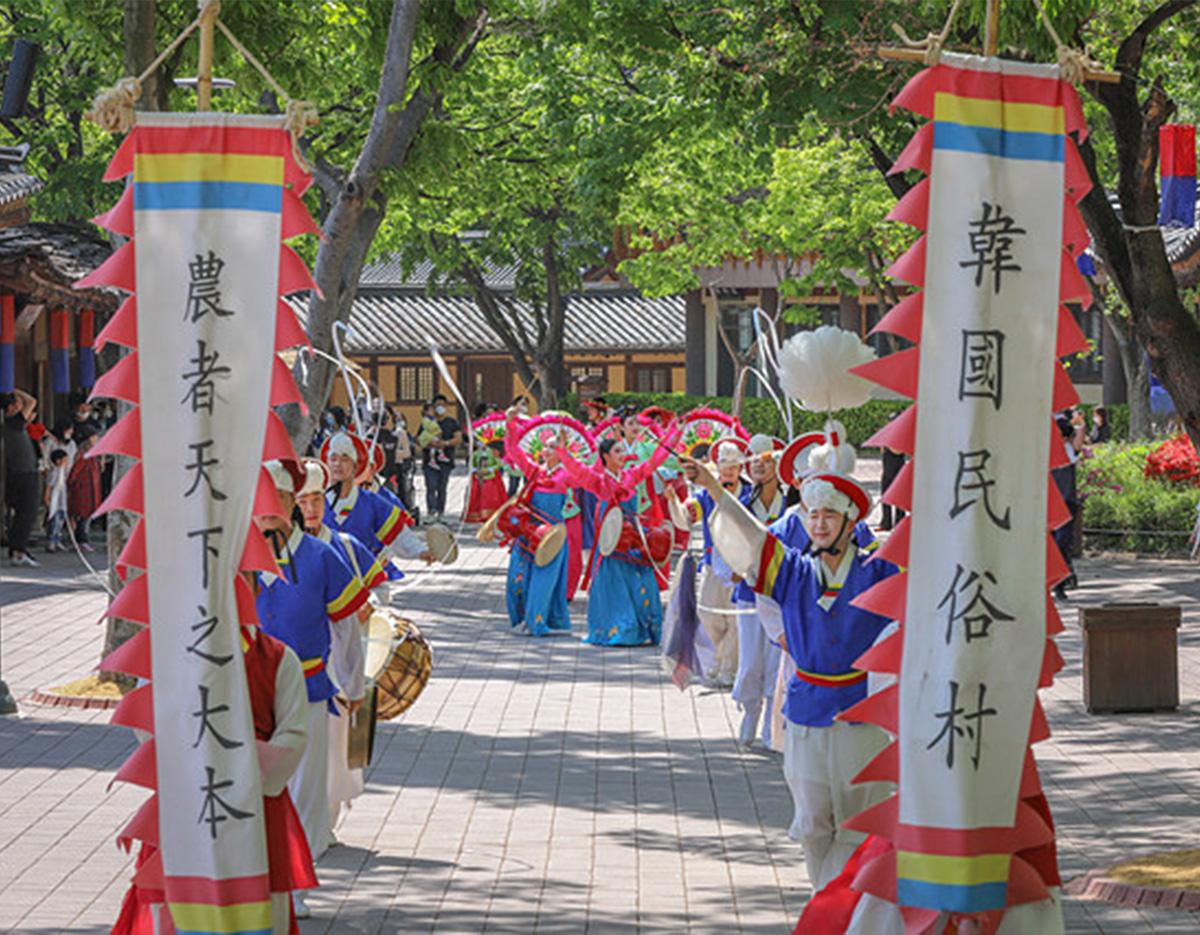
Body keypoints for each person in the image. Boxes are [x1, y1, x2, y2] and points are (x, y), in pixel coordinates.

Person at [690, 436, 897, 893]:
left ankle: (855, 912)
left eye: (829, 515)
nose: (819, 524)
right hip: (804, 711)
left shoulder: (880, 573)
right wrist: (718, 492)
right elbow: (752, 540)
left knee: (863, 821)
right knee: (812, 822)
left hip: (860, 714)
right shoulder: (794, 571)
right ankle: (825, 902)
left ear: (851, 521)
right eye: (813, 514)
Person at [111, 622, 316, 935]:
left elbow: (294, 734)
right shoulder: (167, 656)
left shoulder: (277, 657)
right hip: (188, 801)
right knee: (175, 906)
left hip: (255, 806)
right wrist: (203, 759)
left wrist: (236, 767)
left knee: (257, 908)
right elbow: (148, 725)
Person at [254, 459, 370, 917]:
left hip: (308, 686)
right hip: (247, 693)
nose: (266, 512)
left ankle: (294, 886)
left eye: (276, 501)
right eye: (259, 502)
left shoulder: (322, 557)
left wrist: (353, 684)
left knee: (304, 790)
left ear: (290, 505)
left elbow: (347, 629)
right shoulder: (236, 557)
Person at [294, 457, 389, 840]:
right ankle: (303, 829)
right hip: (296, 667)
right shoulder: (276, 552)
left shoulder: (344, 547)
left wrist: (371, 607)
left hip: (338, 665)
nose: (312, 509)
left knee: (334, 752)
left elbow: (377, 592)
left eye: (317, 499)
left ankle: (322, 826)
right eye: (302, 501)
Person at [559, 423, 681, 647]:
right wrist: (562, 450)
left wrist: (675, 435)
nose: (622, 454)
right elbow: (575, 469)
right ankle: (622, 628)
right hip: (610, 545)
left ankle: (646, 627)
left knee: (643, 585)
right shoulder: (598, 481)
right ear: (605, 456)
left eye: (622, 451)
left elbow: (654, 462)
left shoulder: (630, 476)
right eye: (617, 451)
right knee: (614, 588)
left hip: (632, 541)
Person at [713, 434, 785, 747]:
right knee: (751, 657)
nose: (756, 463)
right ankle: (750, 712)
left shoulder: (792, 506)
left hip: (782, 592)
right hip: (749, 593)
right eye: (752, 458)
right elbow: (726, 543)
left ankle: (772, 720)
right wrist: (733, 569)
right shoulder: (742, 506)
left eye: (764, 458)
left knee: (776, 658)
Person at [683, 436, 750, 688]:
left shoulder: (749, 495)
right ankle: (711, 661)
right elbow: (689, 513)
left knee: (736, 620)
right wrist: (676, 503)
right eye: (724, 466)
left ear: (740, 468)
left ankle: (729, 669)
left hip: (739, 566)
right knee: (708, 613)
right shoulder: (706, 494)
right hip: (713, 563)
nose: (729, 471)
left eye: (733, 467)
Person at [500, 412, 572, 635]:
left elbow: (593, 474)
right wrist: (510, 425)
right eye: (547, 446)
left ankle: (537, 622)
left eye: (554, 446)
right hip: (529, 532)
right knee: (516, 580)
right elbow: (514, 452)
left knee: (544, 582)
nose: (548, 450)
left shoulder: (568, 474)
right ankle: (521, 618)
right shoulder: (534, 471)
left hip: (552, 536)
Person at [323, 431, 429, 569]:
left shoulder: (373, 502)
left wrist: (420, 551)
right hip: (326, 580)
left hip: (367, 577)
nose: (338, 464)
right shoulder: (315, 502)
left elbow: (399, 535)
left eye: (344, 459)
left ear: (356, 467)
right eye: (333, 458)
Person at [2, 389, 40, 566]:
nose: (21, 406)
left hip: (20, 473)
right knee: (27, 512)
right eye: (17, 404)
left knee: (24, 514)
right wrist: (13, 388)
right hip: (23, 474)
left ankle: (17, 550)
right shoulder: (13, 422)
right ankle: (18, 551)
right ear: (10, 408)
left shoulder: (14, 424)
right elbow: (32, 401)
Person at [67, 428, 102, 553]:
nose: (96, 440)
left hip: (90, 490)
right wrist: (71, 486)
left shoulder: (92, 454)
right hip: (83, 491)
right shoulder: (82, 455)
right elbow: (74, 473)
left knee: (86, 517)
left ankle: (82, 541)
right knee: (83, 517)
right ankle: (81, 541)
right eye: (94, 438)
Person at [43, 448, 70, 552]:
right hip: (55, 502)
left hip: (62, 502)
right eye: (65, 460)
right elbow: (49, 486)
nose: (67, 462)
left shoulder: (63, 472)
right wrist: (47, 498)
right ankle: (51, 542)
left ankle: (57, 541)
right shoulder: (54, 472)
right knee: (54, 523)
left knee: (60, 522)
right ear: (58, 461)